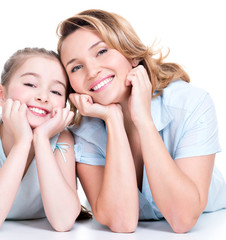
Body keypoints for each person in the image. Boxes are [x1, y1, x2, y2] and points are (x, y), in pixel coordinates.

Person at [56, 9, 226, 233]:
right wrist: (113, 118)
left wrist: (143, 119)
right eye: (76, 67)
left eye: (101, 52)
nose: (92, 71)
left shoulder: (190, 104)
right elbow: (121, 222)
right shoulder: (82, 132)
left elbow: (182, 219)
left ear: (133, 55)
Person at [0, 47, 82, 233]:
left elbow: (63, 221)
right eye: (30, 84)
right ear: (1, 95)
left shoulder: (62, 139)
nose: (43, 97)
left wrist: (42, 139)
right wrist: (23, 141)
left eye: (56, 91)